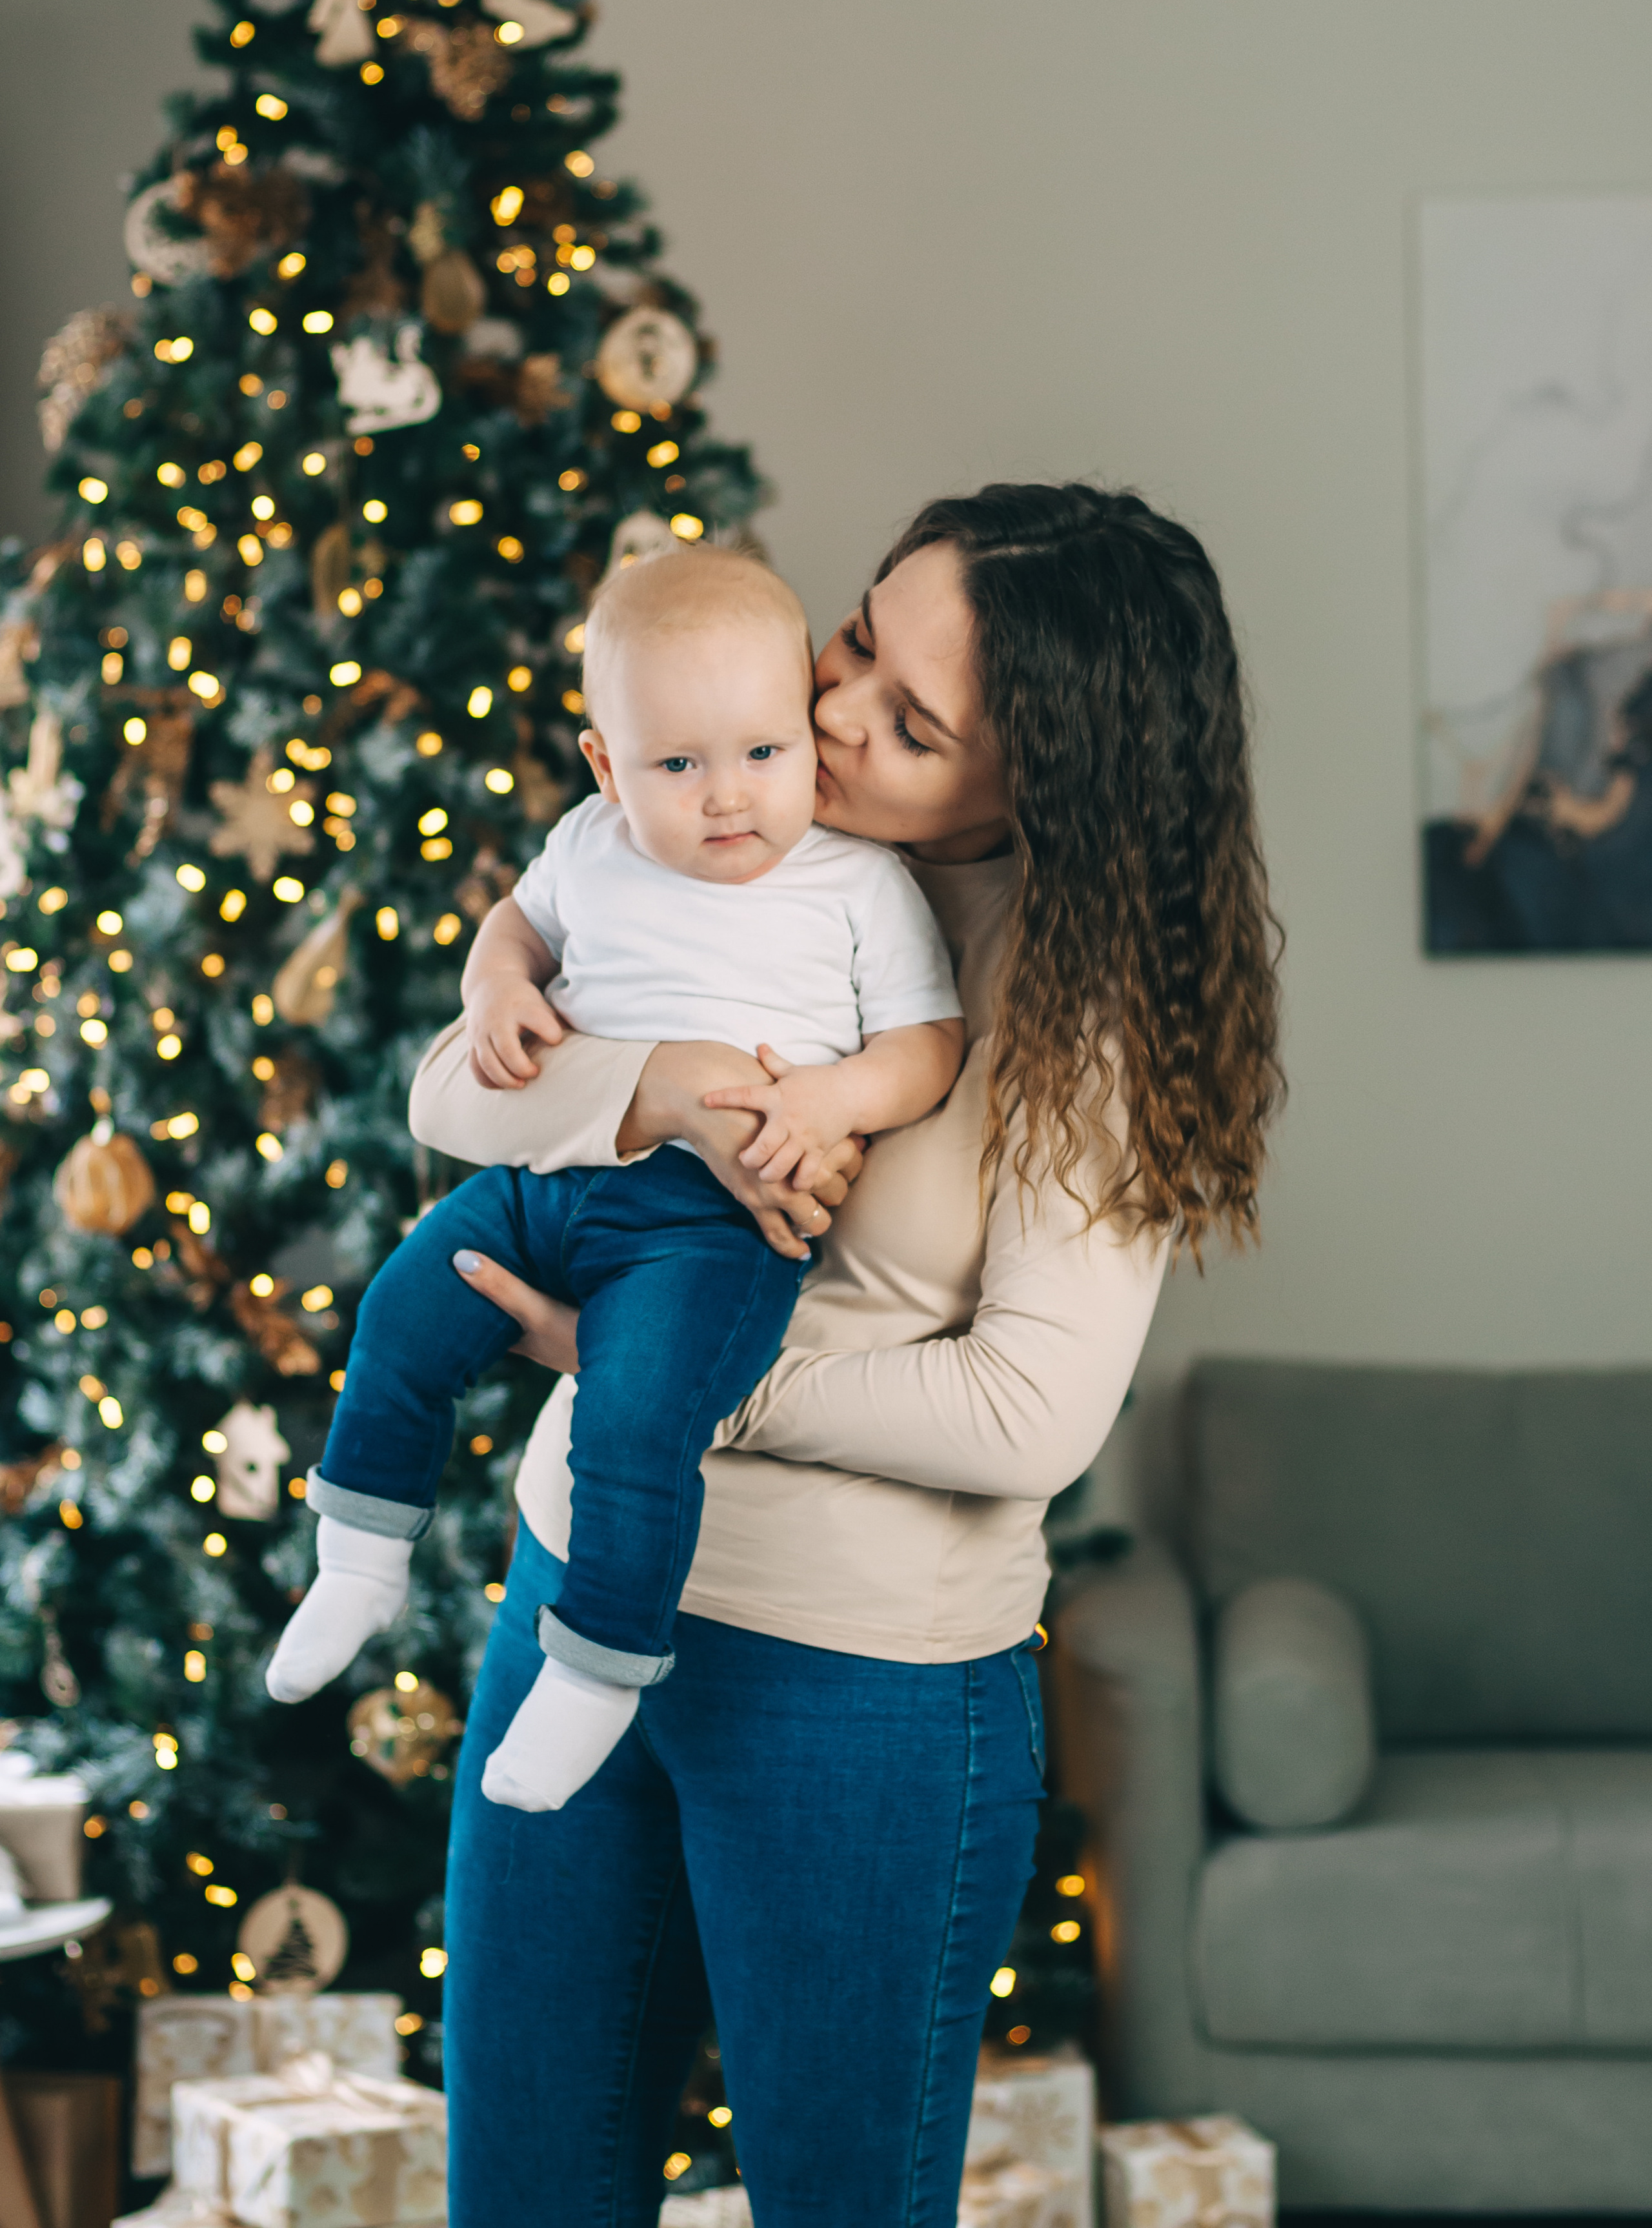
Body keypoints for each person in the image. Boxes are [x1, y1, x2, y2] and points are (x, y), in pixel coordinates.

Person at [407, 483, 1284, 2227]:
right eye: (862, 638)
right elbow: (454, 1092)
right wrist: (651, 1085)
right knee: (521, 2192)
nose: (823, 715)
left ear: (1041, 777)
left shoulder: (1084, 1004)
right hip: (580, 1587)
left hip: (858, 1686)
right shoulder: (725, 835)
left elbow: (1027, 1406)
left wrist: (679, 1376)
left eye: (911, 719)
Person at [263, 550, 963, 1812]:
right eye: (676, 766)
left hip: (705, 1229)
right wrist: (495, 985)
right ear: (606, 767)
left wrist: (830, 1099)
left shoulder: (858, 883)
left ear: (803, 742)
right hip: (550, 1176)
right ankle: (359, 1555)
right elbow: (515, 930)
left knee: (633, 1421)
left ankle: (596, 1668)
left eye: (762, 752)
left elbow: (924, 1046)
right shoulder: (588, 844)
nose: (726, 798)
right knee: (402, 1314)